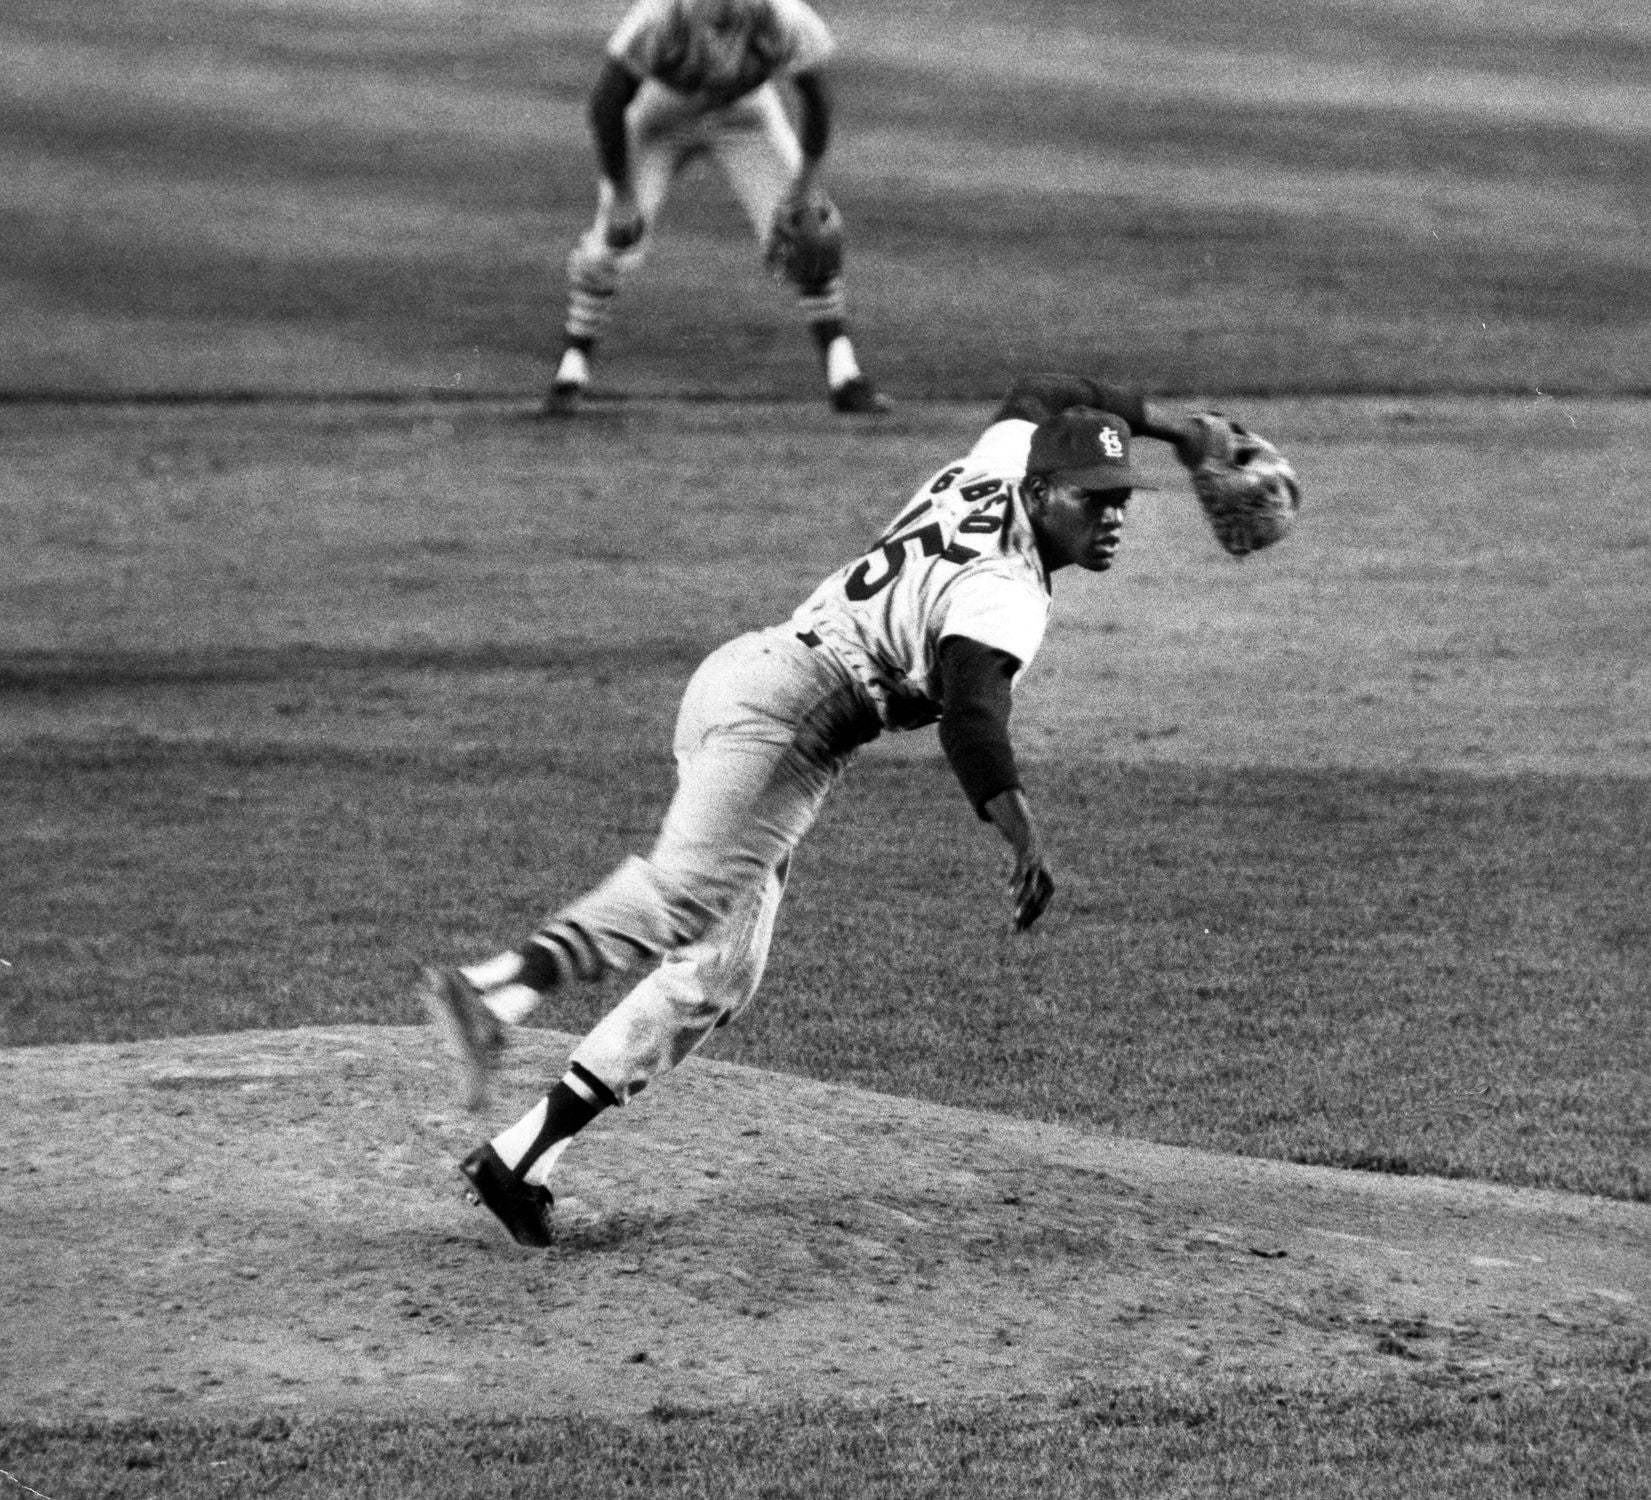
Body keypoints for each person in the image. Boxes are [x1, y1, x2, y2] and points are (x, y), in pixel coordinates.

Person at [423, 371, 1222, 1248]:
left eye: (1120, 501)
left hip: (757, 684)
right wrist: (1020, 832)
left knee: (718, 972)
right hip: (789, 716)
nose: (1111, 518)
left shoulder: (993, 463)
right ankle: (494, 991)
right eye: (1092, 500)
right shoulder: (1006, 593)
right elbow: (971, 716)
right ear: (1040, 493)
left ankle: (519, 1160)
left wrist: (1177, 432)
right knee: (683, 898)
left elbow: (1042, 387)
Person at [545, 0, 891, 416]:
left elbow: (817, 100)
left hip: (745, 115)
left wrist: (806, 186)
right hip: (661, 115)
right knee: (613, 239)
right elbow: (607, 102)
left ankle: (844, 375)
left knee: (809, 231)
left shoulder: (785, 18)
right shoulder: (660, 18)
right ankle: (572, 369)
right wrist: (621, 196)